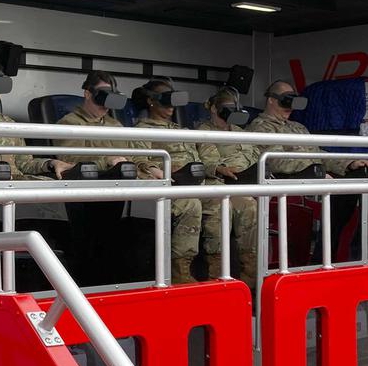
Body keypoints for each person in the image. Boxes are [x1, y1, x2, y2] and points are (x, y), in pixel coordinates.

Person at [248, 80, 368, 260]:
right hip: (289, 183)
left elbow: (318, 153)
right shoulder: (260, 127)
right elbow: (277, 162)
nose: (289, 107)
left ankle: (351, 256)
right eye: (285, 101)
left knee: (359, 175)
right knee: (337, 196)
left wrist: (348, 163)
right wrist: (314, 170)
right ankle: (322, 258)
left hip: (315, 179)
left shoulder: (298, 127)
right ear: (271, 100)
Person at [53, 70, 130, 283]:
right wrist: (108, 161)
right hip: (82, 197)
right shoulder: (69, 123)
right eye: (102, 95)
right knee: (85, 250)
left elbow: (130, 156)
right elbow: (69, 158)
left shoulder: (116, 126)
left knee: (109, 248)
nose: (105, 104)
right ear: (87, 94)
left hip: (113, 194)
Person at [130, 79, 203, 284]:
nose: (171, 107)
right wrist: (158, 169)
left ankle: (221, 272)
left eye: (173, 102)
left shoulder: (180, 129)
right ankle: (181, 272)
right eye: (165, 101)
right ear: (151, 102)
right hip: (167, 186)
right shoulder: (143, 129)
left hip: (196, 182)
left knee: (230, 201)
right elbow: (139, 159)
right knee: (191, 204)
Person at [196, 87, 259, 287]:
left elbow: (255, 154)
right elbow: (209, 160)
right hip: (219, 184)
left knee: (249, 205)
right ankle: (216, 275)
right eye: (227, 108)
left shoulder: (241, 132)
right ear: (214, 109)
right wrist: (223, 168)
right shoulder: (203, 132)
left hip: (245, 183)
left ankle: (250, 276)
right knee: (223, 207)